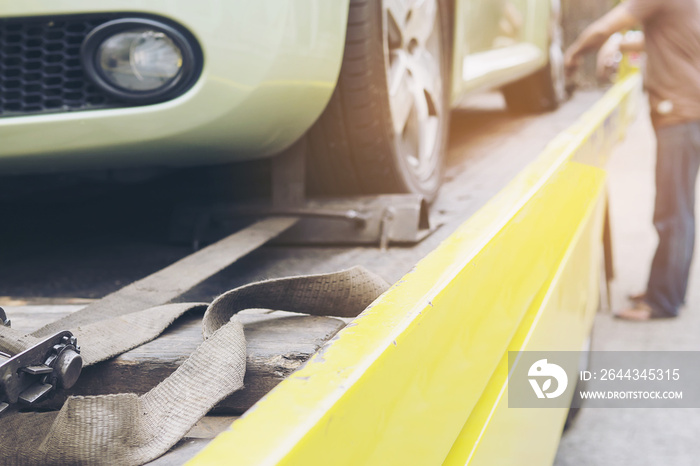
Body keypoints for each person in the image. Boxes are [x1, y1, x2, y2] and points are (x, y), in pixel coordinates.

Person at [565, 0, 700, 321]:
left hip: (679, 117)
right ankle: (665, 289)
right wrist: (622, 45)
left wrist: (572, 54)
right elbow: (656, 38)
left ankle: (661, 302)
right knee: (678, 210)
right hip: (688, 116)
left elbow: (602, 28)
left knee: (672, 213)